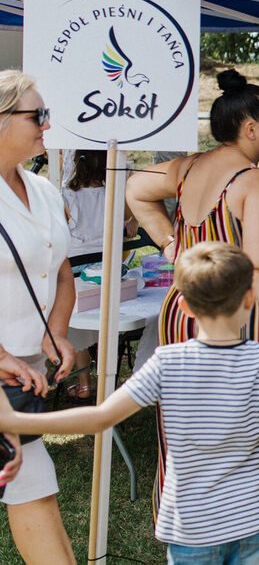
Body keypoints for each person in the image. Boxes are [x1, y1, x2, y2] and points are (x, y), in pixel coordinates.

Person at [0, 242, 259, 563]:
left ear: (186, 307)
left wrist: (19, 422)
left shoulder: (167, 362)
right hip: (255, 522)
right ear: (250, 298)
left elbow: (100, 417)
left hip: (191, 528)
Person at [126, 68, 259, 534]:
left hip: (183, 313)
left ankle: (191, 524)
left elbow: (135, 188)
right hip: (244, 320)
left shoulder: (188, 167)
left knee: (189, 426)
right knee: (255, 427)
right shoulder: (255, 181)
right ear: (249, 129)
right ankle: (254, 530)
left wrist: (171, 244)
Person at [0, 70, 76, 563]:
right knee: (34, 489)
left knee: (34, 490)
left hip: (24, 376)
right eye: (37, 115)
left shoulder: (44, 189)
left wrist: (58, 334)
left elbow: (62, 272)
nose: (47, 125)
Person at [62, 149, 138, 399]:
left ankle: (84, 383)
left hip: (75, 271)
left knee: (74, 323)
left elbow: (60, 231)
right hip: (109, 269)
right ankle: (109, 373)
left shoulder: (66, 195)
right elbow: (129, 227)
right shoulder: (114, 196)